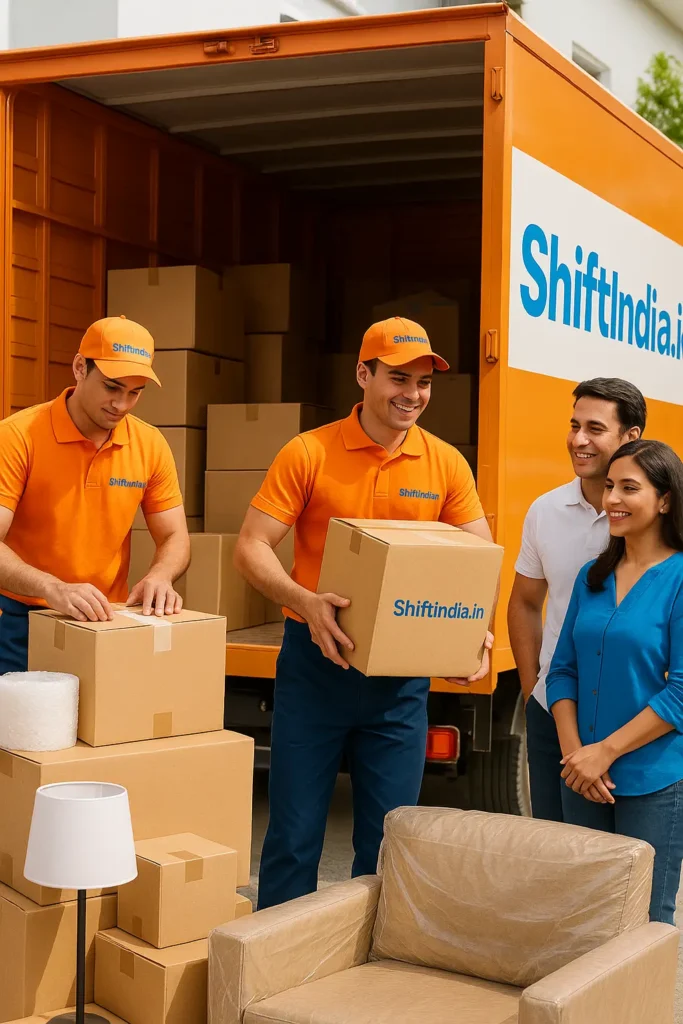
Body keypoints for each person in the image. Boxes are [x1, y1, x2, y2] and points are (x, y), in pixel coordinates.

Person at [234, 316, 495, 910]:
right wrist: (301, 599)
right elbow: (250, 546)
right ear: (363, 374)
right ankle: (276, 969)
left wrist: (469, 634)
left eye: (424, 382)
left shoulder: (446, 464)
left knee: (386, 843)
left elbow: (478, 562)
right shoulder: (309, 452)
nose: (412, 394)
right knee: (294, 836)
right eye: (398, 378)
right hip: (315, 667)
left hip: (399, 683)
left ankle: (365, 975)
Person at [0, 315, 191, 674]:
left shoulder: (150, 445)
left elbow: (174, 535)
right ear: (78, 368)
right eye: (112, 387)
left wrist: (160, 576)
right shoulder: (17, 437)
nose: (121, 404)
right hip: (21, 622)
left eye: (134, 393)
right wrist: (52, 587)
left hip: (107, 620)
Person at [546, 439, 683, 924]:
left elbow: (681, 693)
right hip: (581, 777)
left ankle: (641, 1006)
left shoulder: (680, 578)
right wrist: (576, 755)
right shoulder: (592, 577)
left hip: (652, 780)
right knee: (583, 915)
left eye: (630, 488)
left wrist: (605, 752)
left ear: (664, 499)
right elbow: (562, 671)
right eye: (609, 487)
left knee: (646, 918)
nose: (613, 500)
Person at [508, 378, 646, 821]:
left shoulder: (651, 520)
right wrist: (534, 692)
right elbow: (525, 601)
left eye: (595, 428)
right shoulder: (545, 512)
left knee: (627, 865)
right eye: (574, 425)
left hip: (631, 720)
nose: (579, 440)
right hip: (555, 710)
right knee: (554, 856)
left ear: (631, 437)